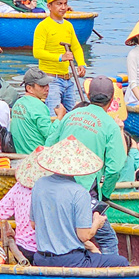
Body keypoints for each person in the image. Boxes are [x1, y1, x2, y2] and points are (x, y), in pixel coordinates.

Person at [47, 76, 126, 254]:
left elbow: (49, 144)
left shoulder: (70, 116)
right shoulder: (110, 125)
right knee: (107, 238)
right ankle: (109, 273)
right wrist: (105, 194)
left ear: (88, 95)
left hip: (57, 184)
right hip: (84, 189)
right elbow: (116, 167)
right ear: (112, 100)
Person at [30, 136, 129, 268]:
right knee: (121, 262)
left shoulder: (39, 184)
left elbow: (33, 224)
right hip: (71, 261)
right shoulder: (79, 192)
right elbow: (84, 236)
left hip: (41, 258)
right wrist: (97, 223)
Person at [0, 147, 49, 263]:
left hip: (22, 246)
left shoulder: (19, 186)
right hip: (45, 250)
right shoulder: (51, 190)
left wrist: (10, 230)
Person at [32, 0, 86, 115]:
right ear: (49, 6)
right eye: (59, 4)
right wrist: (60, 57)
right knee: (54, 114)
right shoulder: (43, 26)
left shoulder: (68, 26)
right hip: (51, 79)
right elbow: (37, 52)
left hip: (68, 78)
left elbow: (76, 48)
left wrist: (81, 64)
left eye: (65, 4)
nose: (63, 7)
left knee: (73, 115)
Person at [11, 67, 60, 154]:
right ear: (29, 88)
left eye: (47, 85)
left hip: (19, 155)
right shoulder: (39, 106)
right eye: (42, 86)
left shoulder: (18, 104)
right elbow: (50, 135)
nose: (47, 89)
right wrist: (60, 117)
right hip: (36, 157)